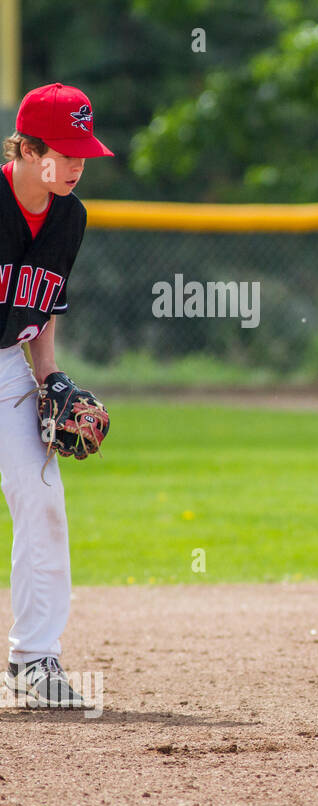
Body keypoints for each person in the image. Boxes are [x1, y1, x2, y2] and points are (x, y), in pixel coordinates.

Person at [1, 83, 113, 708]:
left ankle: (34, 661)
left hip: (4, 371)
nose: (76, 165)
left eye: (82, 154)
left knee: (43, 499)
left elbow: (42, 311)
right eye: (65, 153)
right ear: (26, 147)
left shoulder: (70, 217)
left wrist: (49, 380)